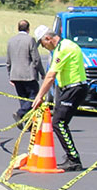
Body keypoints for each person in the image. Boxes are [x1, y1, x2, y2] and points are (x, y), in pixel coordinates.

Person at [32, 24, 88, 171]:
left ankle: (74, 159)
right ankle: (71, 156)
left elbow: (51, 76)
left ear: (48, 38)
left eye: (42, 43)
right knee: (60, 122)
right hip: (70, 88)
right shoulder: (63, 46)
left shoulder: (63, 49)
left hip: (74, 88)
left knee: (59, 123)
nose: (43, 47)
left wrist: (39, 96)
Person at [5, 19, 45, 122]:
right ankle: (21, 113)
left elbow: (8, 60)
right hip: (28, 74)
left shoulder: (11, 41)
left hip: (15, 75)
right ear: (28, 29)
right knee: (34, 96)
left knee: (23, 98)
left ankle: (26, 121)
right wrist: (42, 72)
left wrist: (10, 75)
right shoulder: (30, 40)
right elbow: (36, 59)